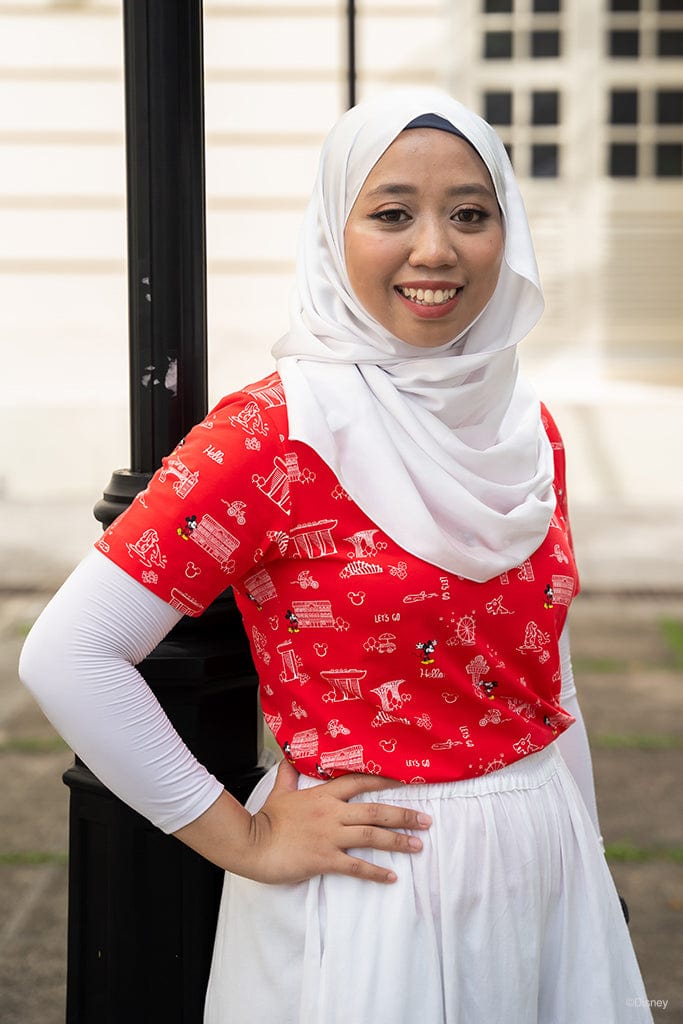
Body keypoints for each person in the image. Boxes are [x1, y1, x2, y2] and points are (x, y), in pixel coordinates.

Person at [19, 88, 653, 1023]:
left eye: (469, 214)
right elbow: (69, 653)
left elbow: (544, 673)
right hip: (375, 889)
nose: (434, 249)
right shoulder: (273, 433)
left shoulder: (522, 427)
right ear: (332, 230)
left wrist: (586, 855)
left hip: (543, 862)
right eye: (391, 214)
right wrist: (241, 839)